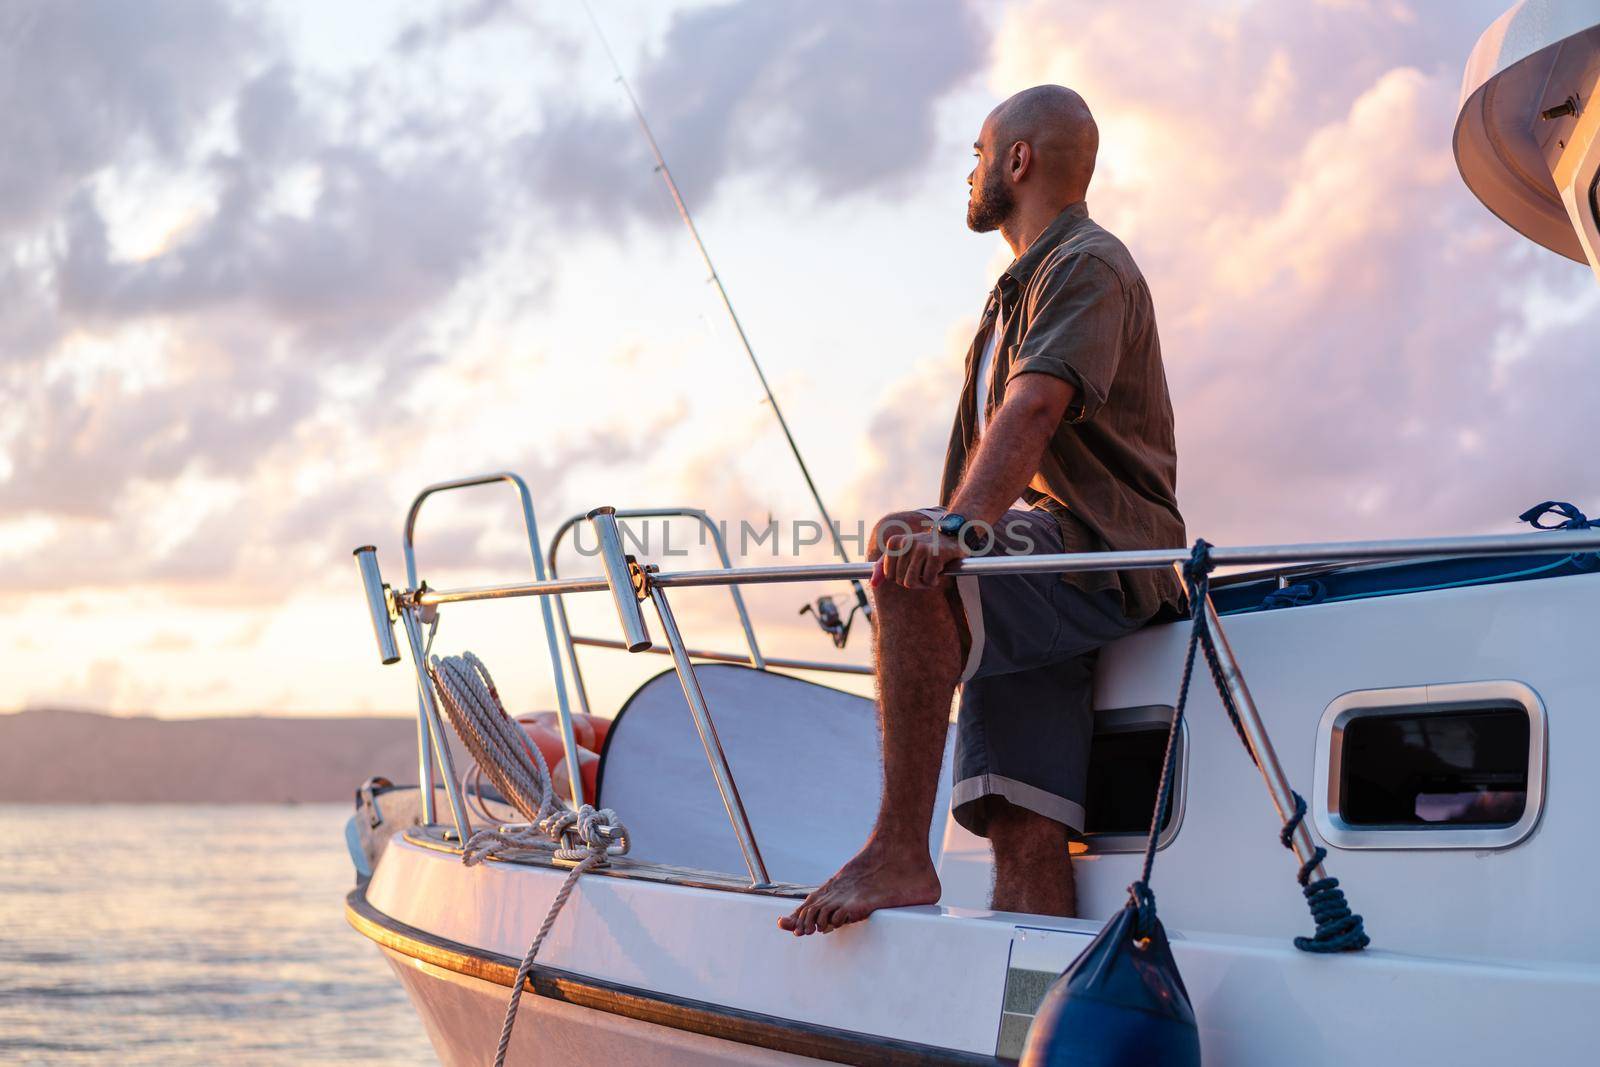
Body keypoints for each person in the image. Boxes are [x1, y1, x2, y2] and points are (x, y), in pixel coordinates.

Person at [781, 85, 1186, 936]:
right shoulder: (1020, 288)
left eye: (976, 155)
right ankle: (1026, 1019)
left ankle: (898, 848)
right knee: (1023, 822)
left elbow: (1034, 409)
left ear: (1018, 160)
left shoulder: (1086, 265)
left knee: (904, 552)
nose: (967, 175)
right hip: (1043, 574)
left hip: (1094, 553)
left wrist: (959, 529)